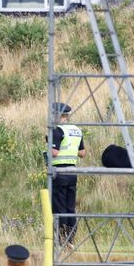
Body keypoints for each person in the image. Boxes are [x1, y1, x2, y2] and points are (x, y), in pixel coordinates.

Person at [50, 102, 85, 249]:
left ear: (58, 115)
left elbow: (54, 153)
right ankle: (70, 239)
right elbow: (82, 153)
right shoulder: (77, 130)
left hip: (60, 172)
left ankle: (61, 239)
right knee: (71, 208)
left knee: (59, 208)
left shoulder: (57, 130)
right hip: (73, 172)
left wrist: (48, 144)